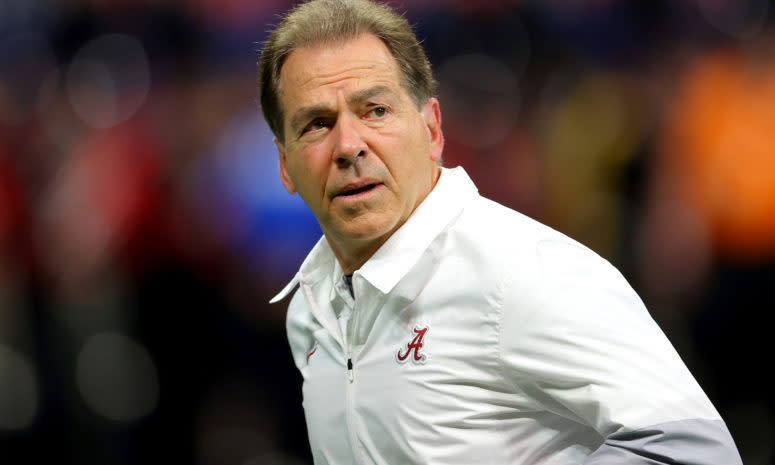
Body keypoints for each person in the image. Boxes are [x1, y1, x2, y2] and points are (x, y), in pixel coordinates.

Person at [259, 0, 743, 463]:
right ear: (285, 164)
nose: (348, 145)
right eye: (317, 124)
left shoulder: (524, 272)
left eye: (375, 111)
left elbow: (694, 450)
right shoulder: (311, 307)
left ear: (431, 131)